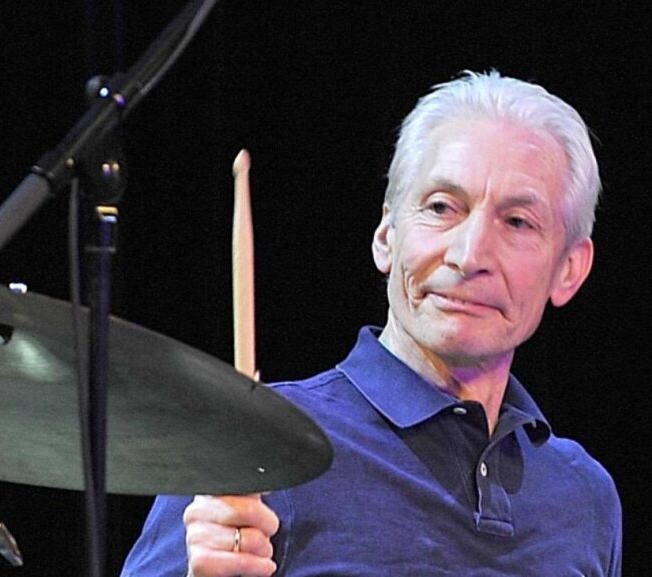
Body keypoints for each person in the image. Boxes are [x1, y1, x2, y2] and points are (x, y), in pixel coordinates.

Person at [121, 70, 621, 576]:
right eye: (441, 207)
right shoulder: (255, 449)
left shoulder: (583, 495)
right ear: (386, 235)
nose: (470, 255)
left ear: (569, 269)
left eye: (517, 222)